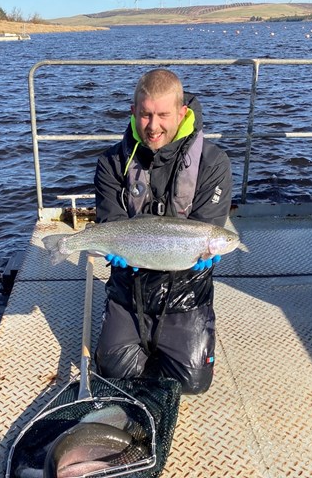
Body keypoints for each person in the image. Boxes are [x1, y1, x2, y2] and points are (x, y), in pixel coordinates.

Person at [93, 69, 233, 394]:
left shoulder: (213, 163)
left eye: (162, 115)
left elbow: (207, 222)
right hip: (130, 286)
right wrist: (114, 244)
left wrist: (206, 252)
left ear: (182, 113)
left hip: (185, 290)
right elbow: (111, 221)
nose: (153, 126)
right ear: (133, 112)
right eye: (145, 115)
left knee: (192, 383)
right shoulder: (111, 163)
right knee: (114, 371)